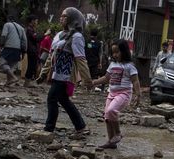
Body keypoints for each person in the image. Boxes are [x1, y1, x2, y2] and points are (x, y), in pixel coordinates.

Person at [40, 7, 92, 135]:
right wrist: (43, 73)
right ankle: (80, 126)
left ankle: (49, 128)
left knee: (52, 98)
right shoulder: (59, 35)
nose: (61, 18)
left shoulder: (77, 37)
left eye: (65, 16)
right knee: (63, 100)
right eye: (61, 15)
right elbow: (51, 56)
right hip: (57, 73)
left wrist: (87, 80)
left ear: (73, 20)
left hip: (66, 75)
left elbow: (81, 60)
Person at [92, 39, 141, 149]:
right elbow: (106, 78)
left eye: (117, 52)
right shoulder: (112, 64)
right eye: (113, 52)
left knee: (111, 111)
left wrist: (138, 94)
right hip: (112, 93)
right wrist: (94, 82)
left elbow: (135, 81)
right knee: (107, 117)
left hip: (124, 94)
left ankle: (118, 133)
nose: (115, 54)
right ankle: (111, 141)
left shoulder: (129, 66)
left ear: (124, 51)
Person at [0, 15, 27, 86]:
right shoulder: (21, 28)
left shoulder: (7, 24)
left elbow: (4, 35)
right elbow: (24, 41)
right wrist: (24, 52)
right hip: (18, 50)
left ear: (8, 19)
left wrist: (1, 44)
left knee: (2, 63)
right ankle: (9, 81)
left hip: (9, 47)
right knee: (11, 66)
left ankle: (14, 77)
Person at [24, 15, 40, 87]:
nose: (37, 22)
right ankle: (27, 83)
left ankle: (28, 82)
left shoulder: (31, 29)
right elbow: (36, 38)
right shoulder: (29, 30)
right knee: (31, 66)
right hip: (32, 50)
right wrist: (45, 34)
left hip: (33, 50)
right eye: (36, 21)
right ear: (32, 21)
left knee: (32, 66)